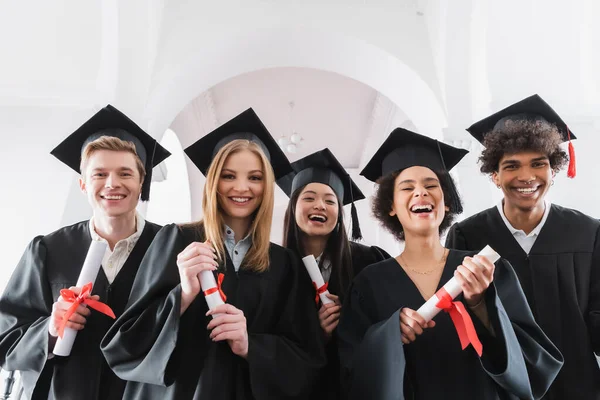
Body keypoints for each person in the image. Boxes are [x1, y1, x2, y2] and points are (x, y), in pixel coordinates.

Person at [101, 108, 326, 399]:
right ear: (214, 181)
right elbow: (125, 342)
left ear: (266, 186)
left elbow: (308, 359)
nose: (242, 187)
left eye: (255, 178)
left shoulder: (284, 265)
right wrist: (181, 295)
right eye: (229, 175)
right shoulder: (176, 241)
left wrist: (250, 345)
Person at [337, 128, 563, 400]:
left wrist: (480, 304)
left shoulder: (486, 271)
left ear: (445, 203)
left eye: (431, 185)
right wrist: (387, 335)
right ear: (391, 206)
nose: (421, 192)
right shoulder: (369, 282)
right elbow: (350, 368)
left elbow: (532, 363)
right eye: (407, 187)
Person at [0, 105, 171, 400]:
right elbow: (6, 342)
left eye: (125, 173)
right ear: (82, 184)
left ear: (141, 182)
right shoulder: (48, 251)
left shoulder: (169, 248)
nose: (112, 184)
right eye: (99, 174)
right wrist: (50, 331)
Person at [445, 94, 600, 399]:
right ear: (495, 174)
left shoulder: (589, 233)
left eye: (538, 164)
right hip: (501, 387)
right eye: (512, 165)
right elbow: (459, 324)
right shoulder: (468, 236)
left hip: (577, 386)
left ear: (553, 170)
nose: (526, 177)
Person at [279, 148, 390, 399]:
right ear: (293, 207)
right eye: (309, 198)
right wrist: (315, 333)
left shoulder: (369, 261)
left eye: (330, 201)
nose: (320, 205)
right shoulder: (273, 266)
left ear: (340, 214)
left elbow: (385, 326)